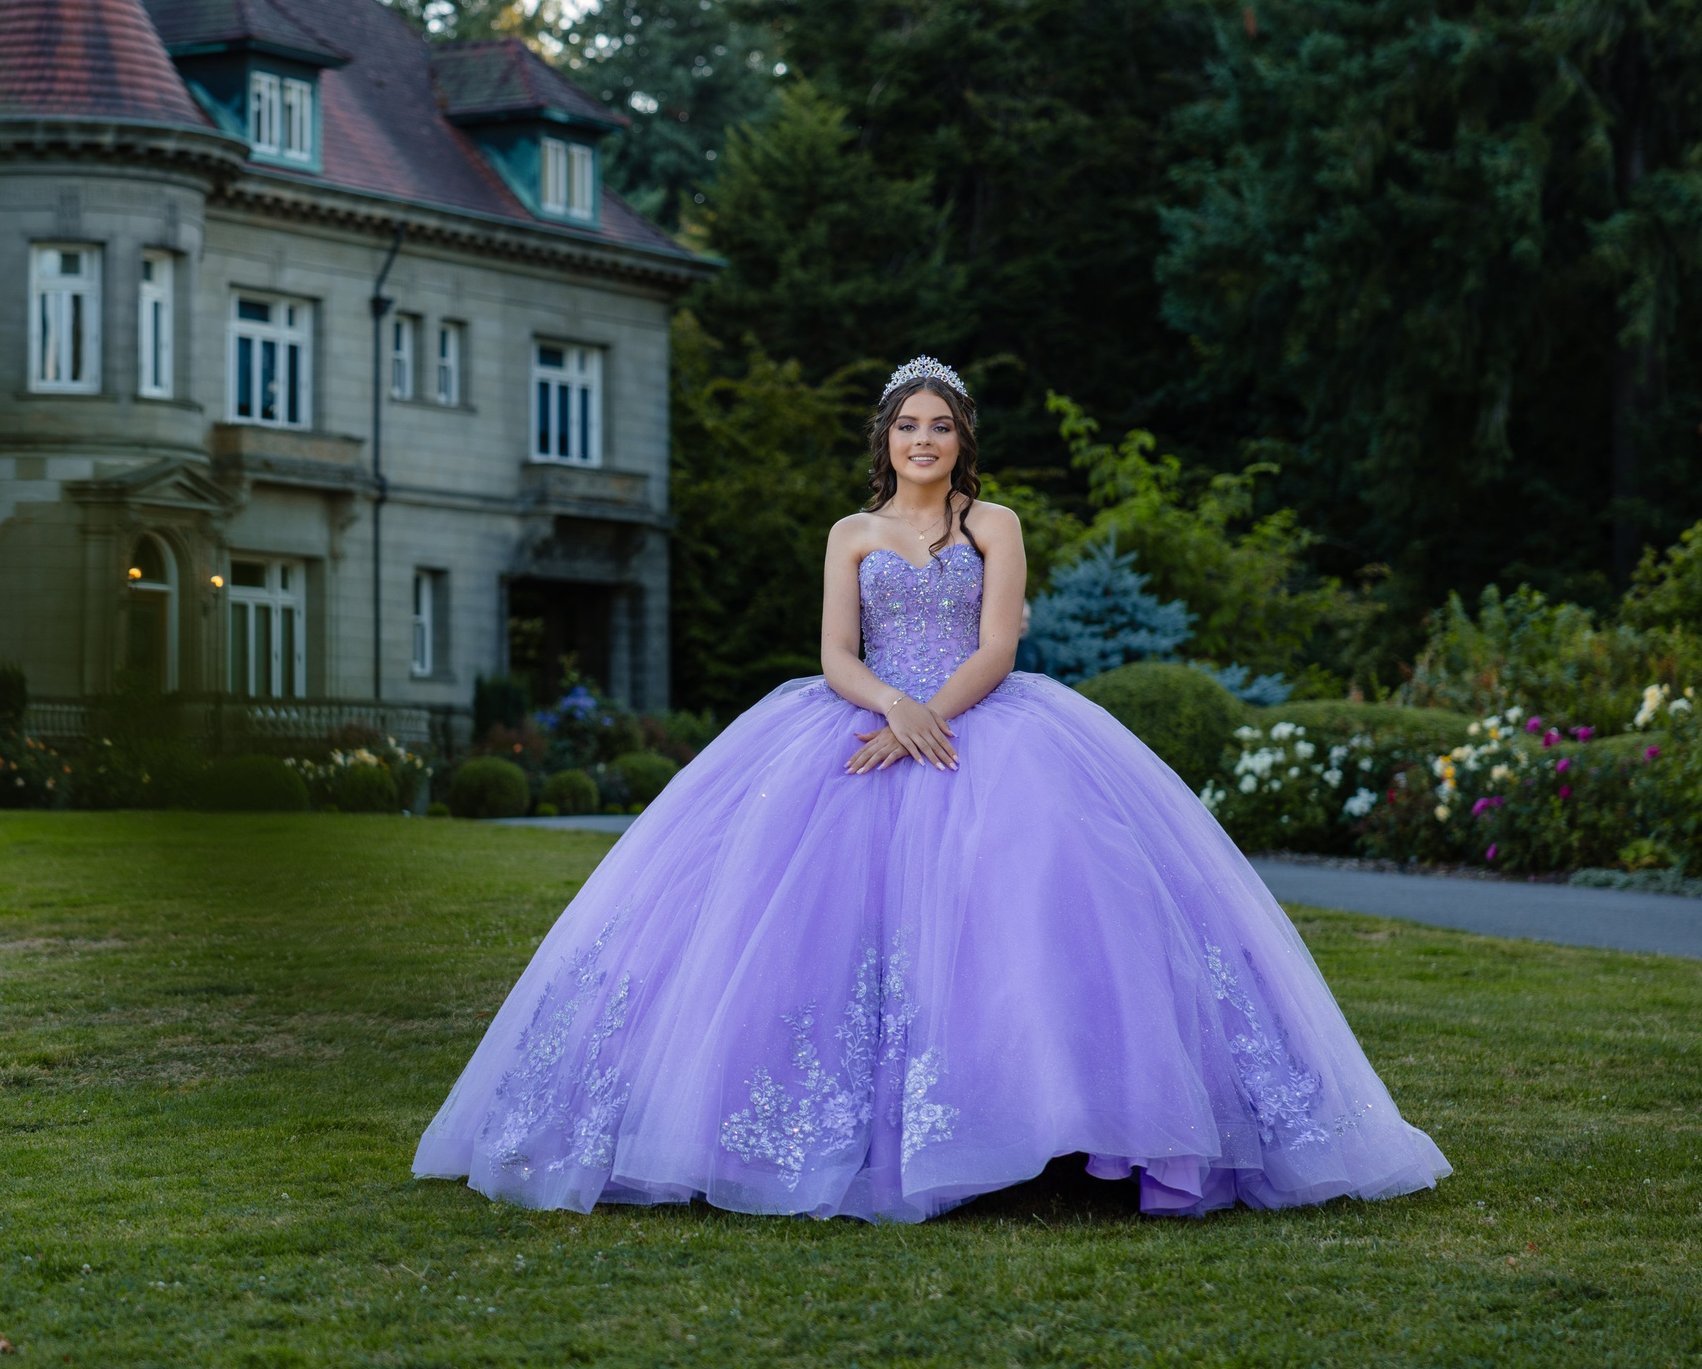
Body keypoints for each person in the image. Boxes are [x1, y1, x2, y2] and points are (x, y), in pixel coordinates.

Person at [415, 358, 1449, 1221]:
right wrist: (888, 710)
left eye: (940, 426)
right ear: (885, 438)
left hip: (984, 727)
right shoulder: (850, 534)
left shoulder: (992, 522)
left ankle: (1061, 1130)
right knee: (792, 923)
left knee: (1032, 903)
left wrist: (930, 716)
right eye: (908, 425)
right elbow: (833, 655)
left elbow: (998, 643)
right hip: (863, 722)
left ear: (961, 440)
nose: (923, 439)